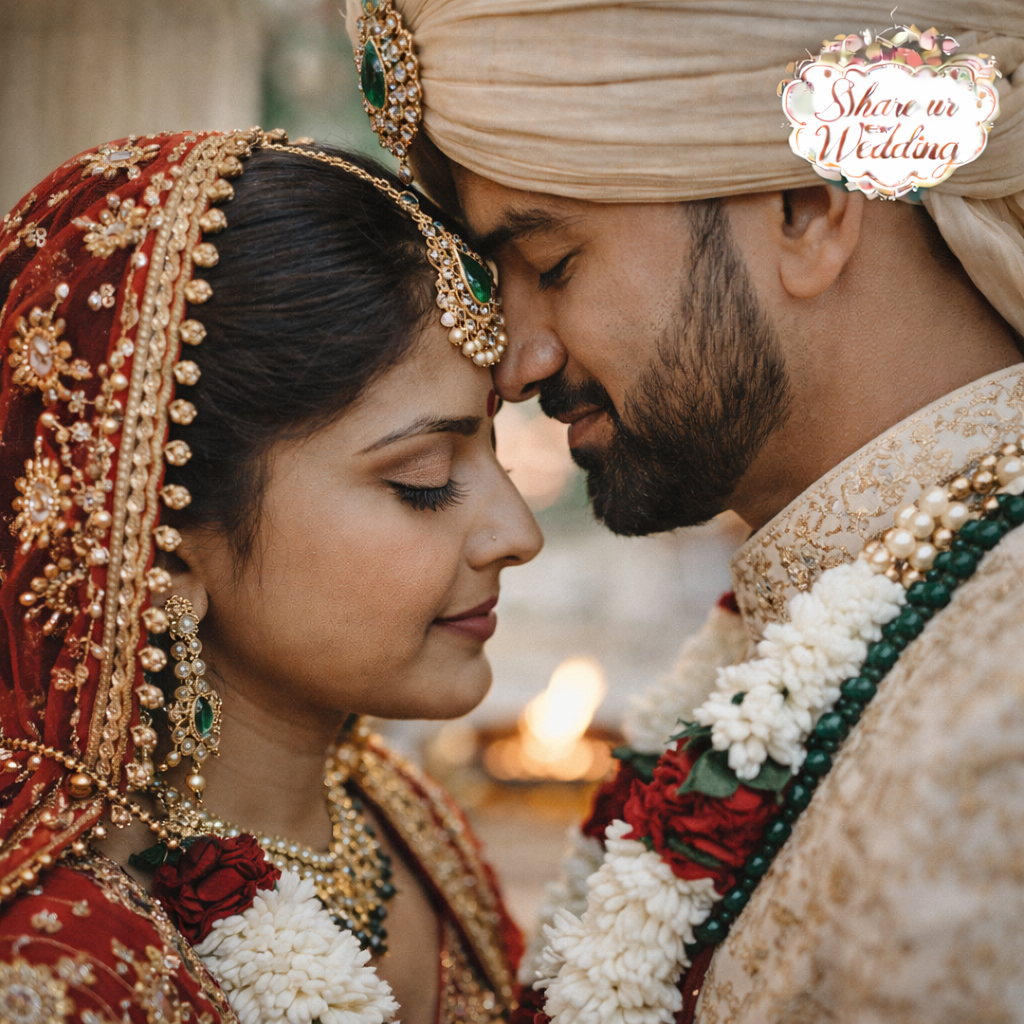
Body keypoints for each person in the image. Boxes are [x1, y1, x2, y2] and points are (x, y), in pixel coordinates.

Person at [342, 1, 1024, 1021]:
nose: (517, 361)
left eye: (553, 264)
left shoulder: (997, 710)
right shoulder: (816, 611)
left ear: (806, 207)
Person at [0, 127, 543, 1024]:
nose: (518, 534)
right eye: (425, 483)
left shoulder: (407, 820)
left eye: (497, 456)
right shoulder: (57, 962)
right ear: (167, 547)